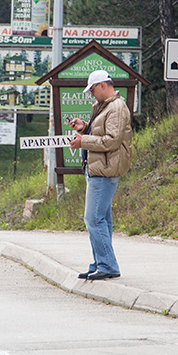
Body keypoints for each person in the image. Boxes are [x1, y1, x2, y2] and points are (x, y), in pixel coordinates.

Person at [68, 69, 132, 281]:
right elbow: (101, 134)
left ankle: (107, 264)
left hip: (105, 171)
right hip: (98, 168)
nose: (91, 94)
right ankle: (100, 263)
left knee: (93, 218)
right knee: (101, 219)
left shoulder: (117, 108)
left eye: (92, 89)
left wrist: (83, 141)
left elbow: (111, 141)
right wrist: (84, 128)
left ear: (103, 85)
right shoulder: (104, 106)